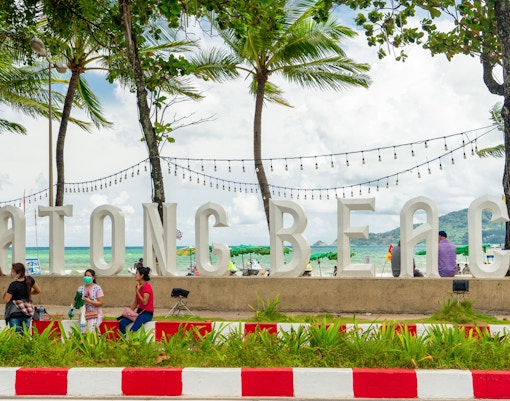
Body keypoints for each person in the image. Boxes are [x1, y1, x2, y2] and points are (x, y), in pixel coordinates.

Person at [3, 262, 41, 334]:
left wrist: (6, 294)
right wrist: (29, 293)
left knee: (15, 338)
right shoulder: (29, 280)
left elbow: (6, 300)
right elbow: (38, 290)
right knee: (24, 337)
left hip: (14, 314)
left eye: (12, 271)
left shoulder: (13, 285)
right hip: (27, 313)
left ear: (19, 273)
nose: (11, 273)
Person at [119, 266, 154, 335]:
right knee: (122, 323)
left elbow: (144, 302)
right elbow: (136, 303)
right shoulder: (138, 286)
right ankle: (122, 341)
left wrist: (137, 292)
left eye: (137, 273)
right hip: (139, 311)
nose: (135, 275)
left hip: (147, 313)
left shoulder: (147, 287)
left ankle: (131, 343)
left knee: (133, 330)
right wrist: (128, 313)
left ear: (142, 275)